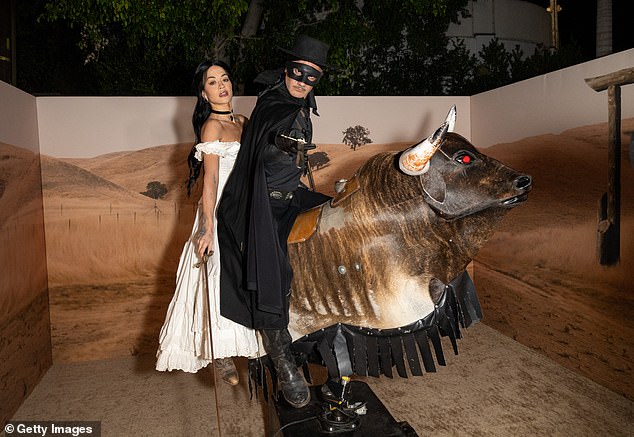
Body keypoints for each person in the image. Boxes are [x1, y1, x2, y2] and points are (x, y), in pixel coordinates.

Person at [217, 35, 333, 408]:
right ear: (286, 70)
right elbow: (262, 147)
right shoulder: (273, 103)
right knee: (272, 275)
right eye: (297, 73)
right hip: (261, 205)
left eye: (310, 77)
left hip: (290, 197)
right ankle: (284, 366)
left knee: (341, 213)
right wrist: (278, 144)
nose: (301, 81)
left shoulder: (301, 108)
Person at [156, 60, 259, 385]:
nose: (221, 85)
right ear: (203, 93)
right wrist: (206, 228)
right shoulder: (212, 128)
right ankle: (220, 352)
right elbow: (210, 181)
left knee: (249, 276)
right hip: (221, 211)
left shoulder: (243, 121)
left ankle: (254, 341)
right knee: (218, 277)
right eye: (212, 82)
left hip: (247, 210)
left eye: (225, 78)